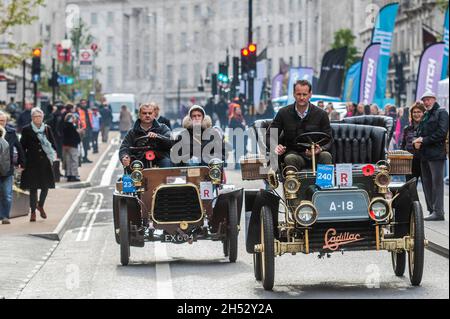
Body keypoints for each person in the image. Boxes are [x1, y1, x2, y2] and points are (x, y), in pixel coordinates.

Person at [267, 80, 333, 171]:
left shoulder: (321, 114)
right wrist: (276, 146)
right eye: (298, 94)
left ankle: (324, 184)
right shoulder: (283, 113)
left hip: (316, 153)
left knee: (326, 155)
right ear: (294, 94)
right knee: (289, 158)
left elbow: (329, 138)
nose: (301, 98)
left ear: (310, 94)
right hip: (295, 154)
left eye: (304, 94)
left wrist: (320, 149)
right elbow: (270, 135)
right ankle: (293, 185)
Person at [413, 92, 449, 221]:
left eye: (428, 100)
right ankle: (432, 210)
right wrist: (417, 139)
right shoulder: (427, 114)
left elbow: (442, 132)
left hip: (436, 154)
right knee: (427, 183)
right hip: (425, 154)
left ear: (434, 99)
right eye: (425, 100)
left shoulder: (441, 112)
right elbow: (421, 131)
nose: (426, 102)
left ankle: (438, 212)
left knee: (437, 184)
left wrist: (424, 140)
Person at [20, 107, 57, 222]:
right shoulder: (26, 129)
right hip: (31, 163)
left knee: (45, 187)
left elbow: (53, 144)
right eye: (35, 116)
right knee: (33, 188)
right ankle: (33, 213)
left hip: (45, 162)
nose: (37, 118)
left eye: (39, 116)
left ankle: (40, 205)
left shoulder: (47, 129)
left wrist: (53, 155)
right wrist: (22, 161)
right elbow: (22, 147)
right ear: (32, 118)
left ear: (42, 117)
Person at [119, 103, 172, 168]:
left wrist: (157, 136)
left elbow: (170, 141)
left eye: (150, 113)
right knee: (132, 168)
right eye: (144, 113)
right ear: (139, 115)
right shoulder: (132, 132)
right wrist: (124, 156)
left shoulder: (163, 128)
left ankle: (166, 178)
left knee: (167, 163)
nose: (147, 115)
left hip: (160, 158)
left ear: (154, 114)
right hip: (139, 160)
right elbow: (124, 147)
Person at [0, 111, 25, 224]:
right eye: (0, 121)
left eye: (3, 121)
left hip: (7, 168)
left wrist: (22, 163)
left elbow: (19, 148)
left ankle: (5, 216)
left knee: (7, 194)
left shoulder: (11, 132)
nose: (1, 123)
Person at [400, 102, 425, 184]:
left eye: (419, 112)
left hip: (424, 161)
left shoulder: (427, 128)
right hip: (410, 163)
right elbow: (403, 145)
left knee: (427, 188)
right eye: (414, 112)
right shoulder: (407, 129)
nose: (416, 114)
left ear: (423, 113)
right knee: (410, 189)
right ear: (411, 114)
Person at [62, 109, 81, 182]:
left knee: (68, 160)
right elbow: (76, 136)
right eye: (73, 118)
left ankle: (69, 175)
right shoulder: (72, 126)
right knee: (74, 160)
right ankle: (74, 175)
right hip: (73, 145)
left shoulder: (64, 126)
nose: (74, 119)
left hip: (65, 145)